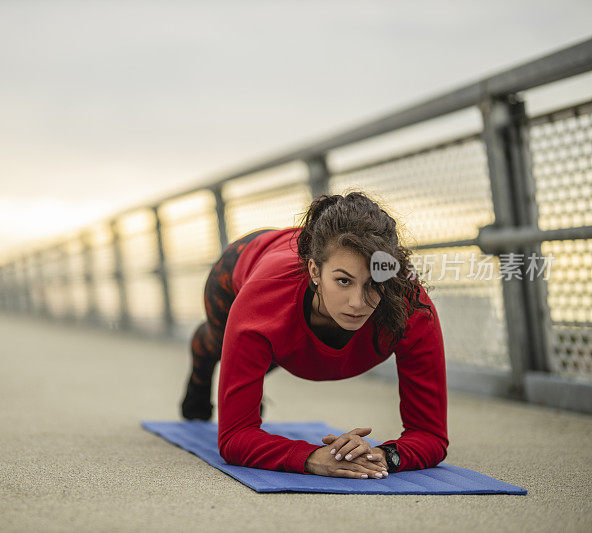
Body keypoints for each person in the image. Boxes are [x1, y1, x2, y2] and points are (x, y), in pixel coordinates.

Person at [180, 191, 448, 478]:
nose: (358, 303)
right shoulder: (262, 302)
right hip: (245, 262)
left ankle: (253, 369)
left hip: (294, 301)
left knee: (268, 353)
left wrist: (380, 455)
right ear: (315, 271)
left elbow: (431, 435)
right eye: (343, 281)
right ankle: (202, 364)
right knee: (218, 345)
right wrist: (312, 458)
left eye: (373, 284)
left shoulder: (412, 307)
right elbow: (234, 438)